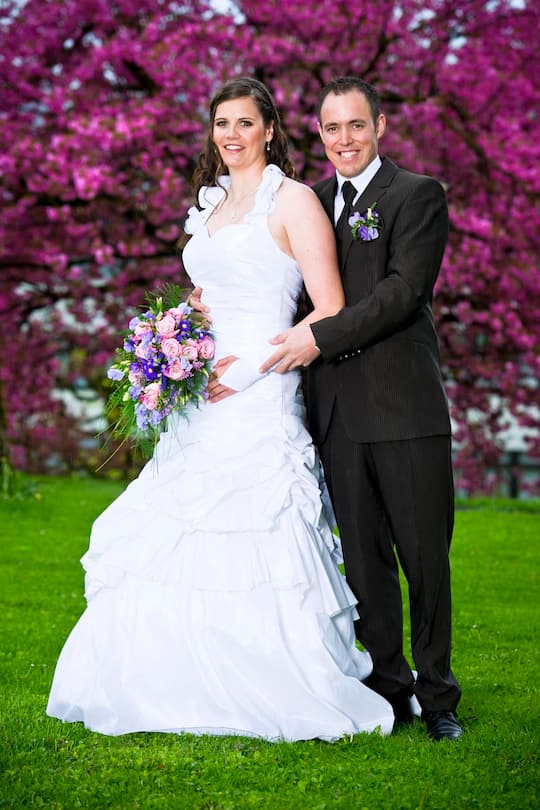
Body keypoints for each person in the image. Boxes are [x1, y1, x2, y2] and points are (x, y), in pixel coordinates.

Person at [46, 77, 395, 741]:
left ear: (269, 129)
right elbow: (207, 291)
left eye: (243, 122)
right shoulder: (208, 205)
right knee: (174, 529)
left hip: (261, 386)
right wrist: (179, 333)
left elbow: (329, 310)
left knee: (253, 529)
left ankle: (272, 681)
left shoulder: (292, 201)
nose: (230, 135)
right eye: (220, 123)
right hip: (199, 391)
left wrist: (253, 369)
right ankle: (168, 680)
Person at [259, 77, 463, 741]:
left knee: (424, 561)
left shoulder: (417, 195)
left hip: (404, 409)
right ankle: (388, 687)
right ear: (318, 135)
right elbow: (284, 292)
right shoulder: (307, 203)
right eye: (331, 128)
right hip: (338, 416)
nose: (343, 139)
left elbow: (403, 292)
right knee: (366, 564)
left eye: (355, 125)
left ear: (380, 125)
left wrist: (318, 336)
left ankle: (438, 699)